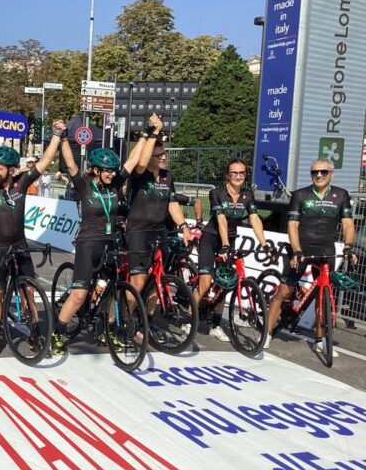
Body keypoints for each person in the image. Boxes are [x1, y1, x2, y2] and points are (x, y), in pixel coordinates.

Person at [51, 119, 148, 354]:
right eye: (107, 170)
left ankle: (109, 331)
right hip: (88, 244)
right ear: (95, 169)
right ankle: (58, 332)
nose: (111, 174)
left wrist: (146, 135)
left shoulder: (115, 185)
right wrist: (63, 137)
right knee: (79, 295)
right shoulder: (84, 185)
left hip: (111, 243)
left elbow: (132, 160)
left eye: (113, 170)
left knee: (114, 290)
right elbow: (72, 164)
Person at [0, 129, 62, 354]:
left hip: (19, 246)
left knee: (28, 291)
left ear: (12, 170)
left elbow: (45, 161)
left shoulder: (22, 183)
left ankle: (35, 332)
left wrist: (56, 135)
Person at [265, 159, 356, 356]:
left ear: (332, 174)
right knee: (284, 291)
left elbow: (348, 224)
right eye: (315, 172)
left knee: (322, 296)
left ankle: (320, 339)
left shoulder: (341, 195)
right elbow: (292, 225)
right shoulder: (300, 194)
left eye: (324, 172)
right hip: (301, 247)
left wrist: (348, 246)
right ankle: (267, 333)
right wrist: (297, 250)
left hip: (326, 250)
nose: (319, 175)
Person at [194, 159, 273, 341]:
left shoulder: (248, 194)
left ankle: (215, 324)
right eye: (234, 173)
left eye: (241, 173)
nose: (238, 176)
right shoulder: (217, 193)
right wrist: (225, 245)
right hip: (212, 238)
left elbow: (254, 219)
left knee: (226, 283)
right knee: (205, 283)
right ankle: (191, 317)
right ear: (227, 175)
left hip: (230, 240)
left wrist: (264, 244)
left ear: (245, 175)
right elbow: (221, 219)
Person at [125, 114, 193, 298]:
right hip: (138, 231)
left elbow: (172, 203)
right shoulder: (140, 174)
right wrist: (154, 132)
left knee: (157, 279)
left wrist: (184, 226)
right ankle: (126, 319)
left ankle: (148, 320)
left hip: (159, 231)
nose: (164, 157)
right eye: (159, 155)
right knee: (138, 281)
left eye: (164, 154)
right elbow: (140, 162)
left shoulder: (167, 176)